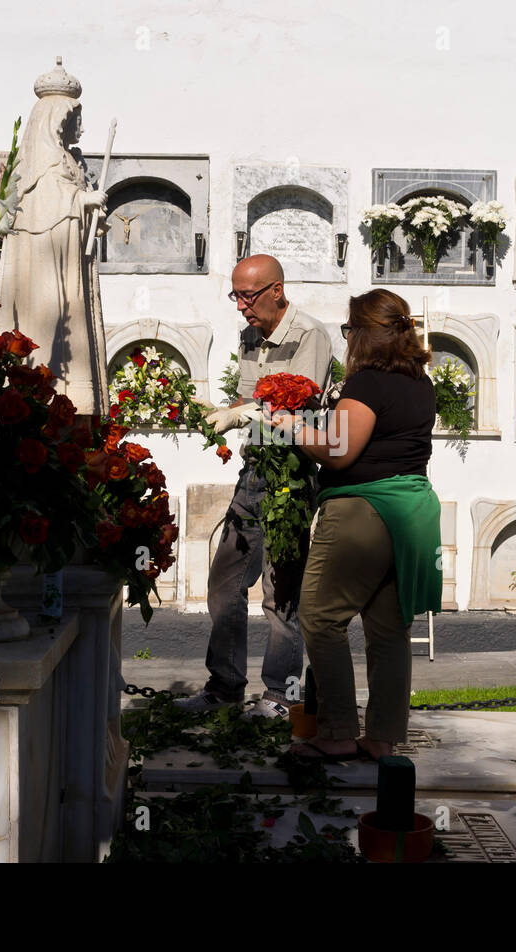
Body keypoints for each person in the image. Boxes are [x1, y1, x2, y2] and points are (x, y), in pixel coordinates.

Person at [269, 288, 442, 761]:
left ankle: (339, 732)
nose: (346, 339)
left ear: (365, 334)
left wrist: (292, 428)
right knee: (388, 629)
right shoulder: (420, 384)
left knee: (321, 617)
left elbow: (340, 450)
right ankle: (382, 738)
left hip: (362, 511)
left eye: (349, 329)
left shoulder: (367, 384)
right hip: (411, 512)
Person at [174, 254, 333, 719]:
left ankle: (281, 695)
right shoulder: (250, 336)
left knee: (281, 593)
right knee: (224, 583)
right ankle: (224, 687)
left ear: (277, 291)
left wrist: (244, 412)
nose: (241, 307)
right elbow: (254, 397)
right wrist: (222, 409)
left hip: (291, 476)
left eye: (248, 296)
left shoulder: (310, 335)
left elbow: (297, 405)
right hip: (254, 473)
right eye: (236, 296)